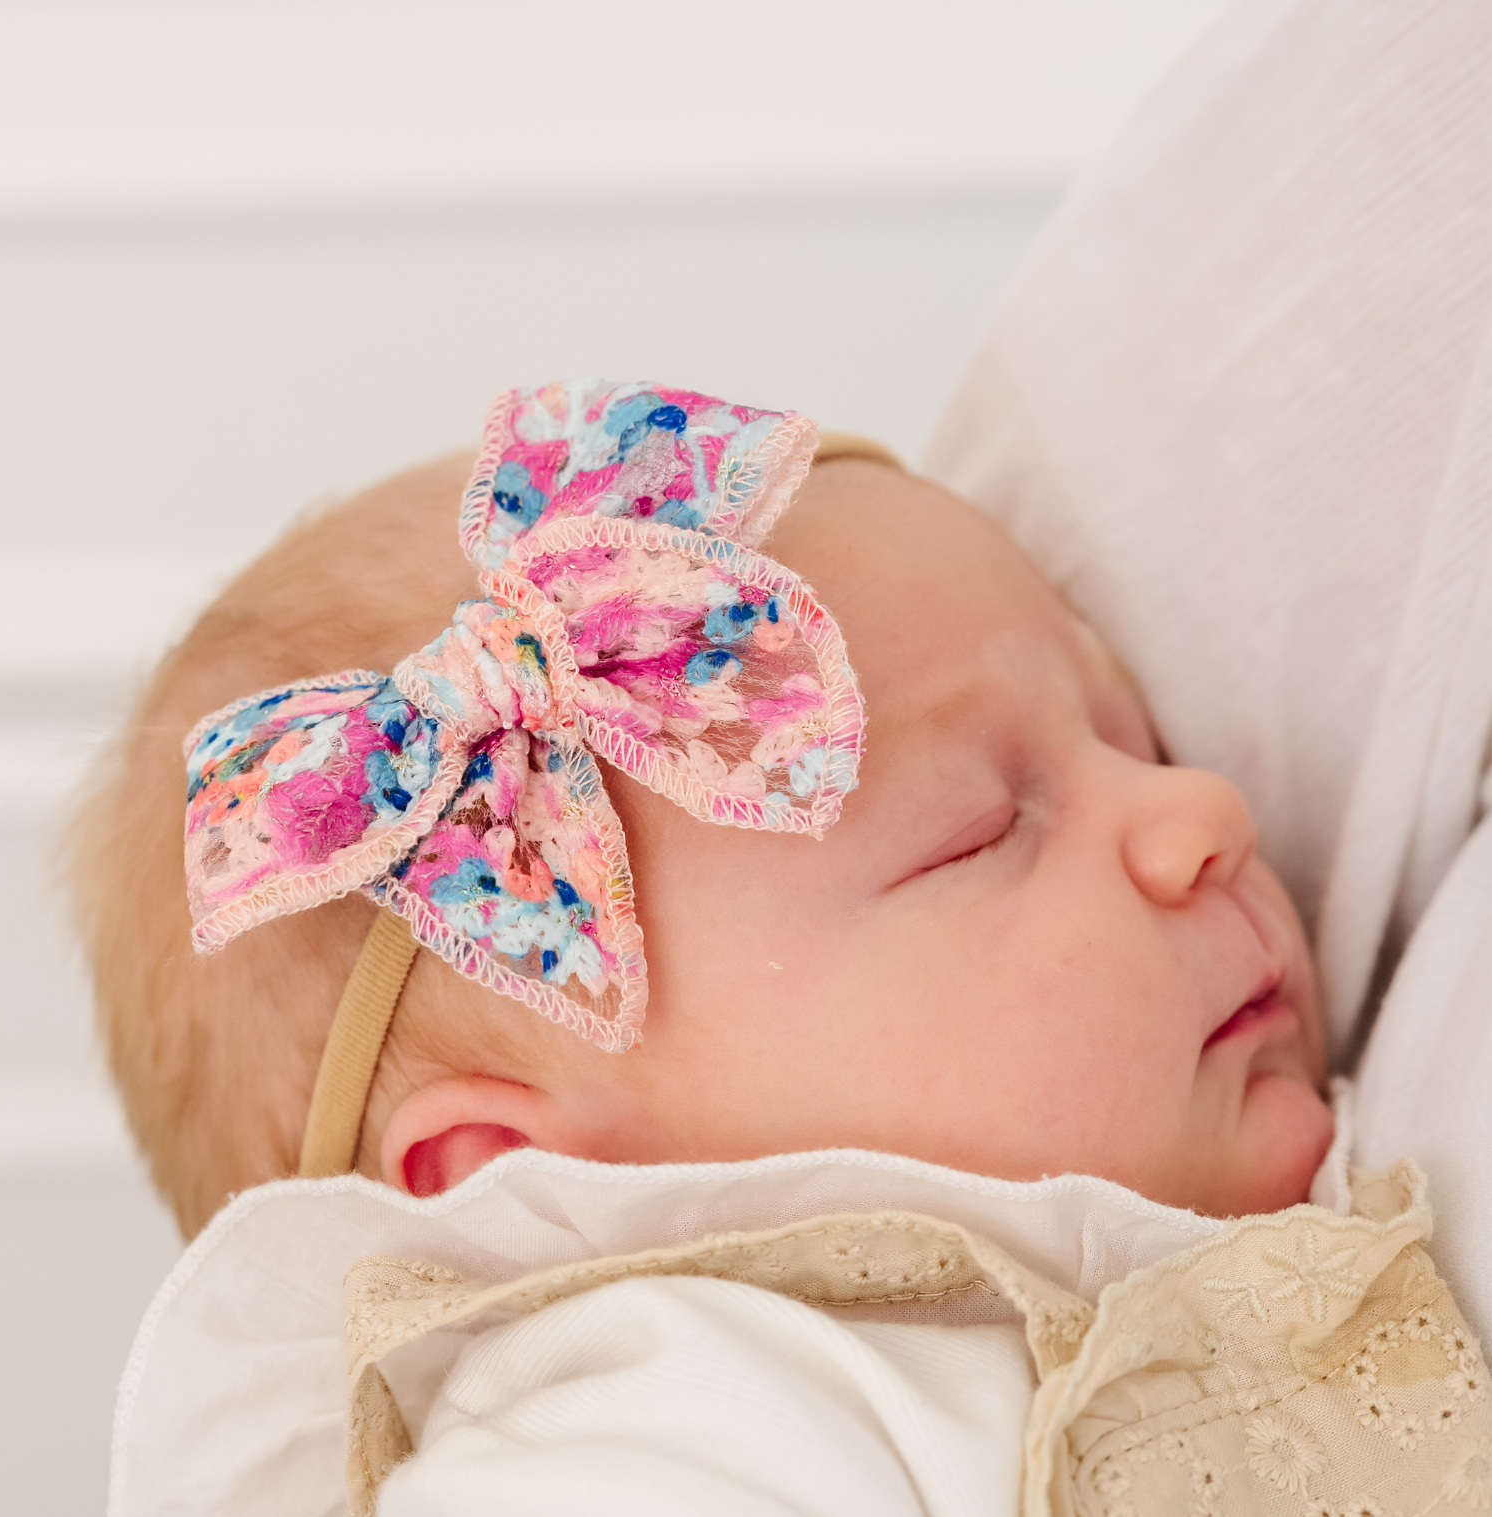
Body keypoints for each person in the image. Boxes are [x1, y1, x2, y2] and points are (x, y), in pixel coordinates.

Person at [78, 381, 1488, 1517]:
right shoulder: (666, 1411)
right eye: (980, 833)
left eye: (1134, 733)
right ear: (543, 1190)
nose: (1202, 814)